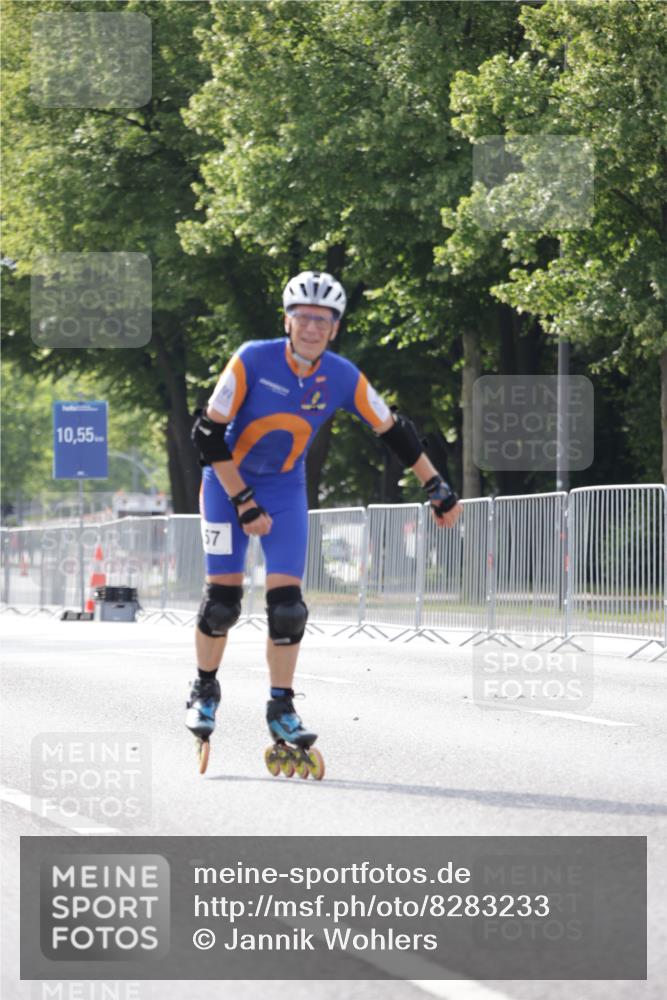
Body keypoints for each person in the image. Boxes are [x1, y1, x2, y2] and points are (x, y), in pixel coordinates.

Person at [187, 270, 461, 772]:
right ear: (288, 321)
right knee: (223, 603)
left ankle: (281, 705)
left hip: (285, 488)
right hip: (226, 484)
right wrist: (243, 499)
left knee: (288, 608)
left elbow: (393, 429)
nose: (313, 327)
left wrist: (435, 486)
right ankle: (205, 687)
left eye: (324, 320)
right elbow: (207, 434)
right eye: (304, 317)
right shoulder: (252, 359)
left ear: (335, 328)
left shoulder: (341, 375)